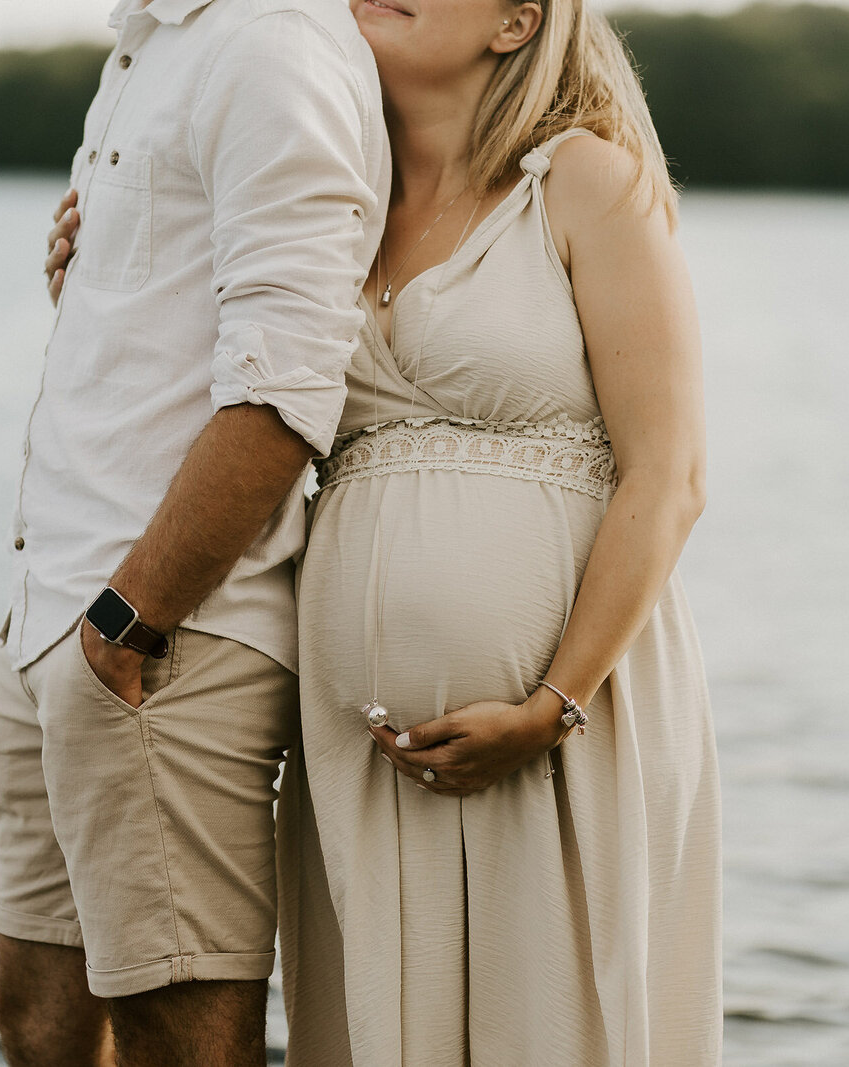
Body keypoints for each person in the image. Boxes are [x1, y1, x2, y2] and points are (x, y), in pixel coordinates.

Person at [275, 0, 722, 1061]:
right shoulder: (330, 199)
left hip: (562, 725)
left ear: (516, 23)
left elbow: (671, 476)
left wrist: (550, 705)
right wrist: (91, 255)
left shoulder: (584, 180)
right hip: (360, 748)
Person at [0, 0, 388, 1059]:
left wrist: (129, 619)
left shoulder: (272, 43)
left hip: (159, 640)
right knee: (37, 1017)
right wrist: (87, 282)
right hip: (56, 608)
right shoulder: (150, 43)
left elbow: (287, 381)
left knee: (179, 1038)